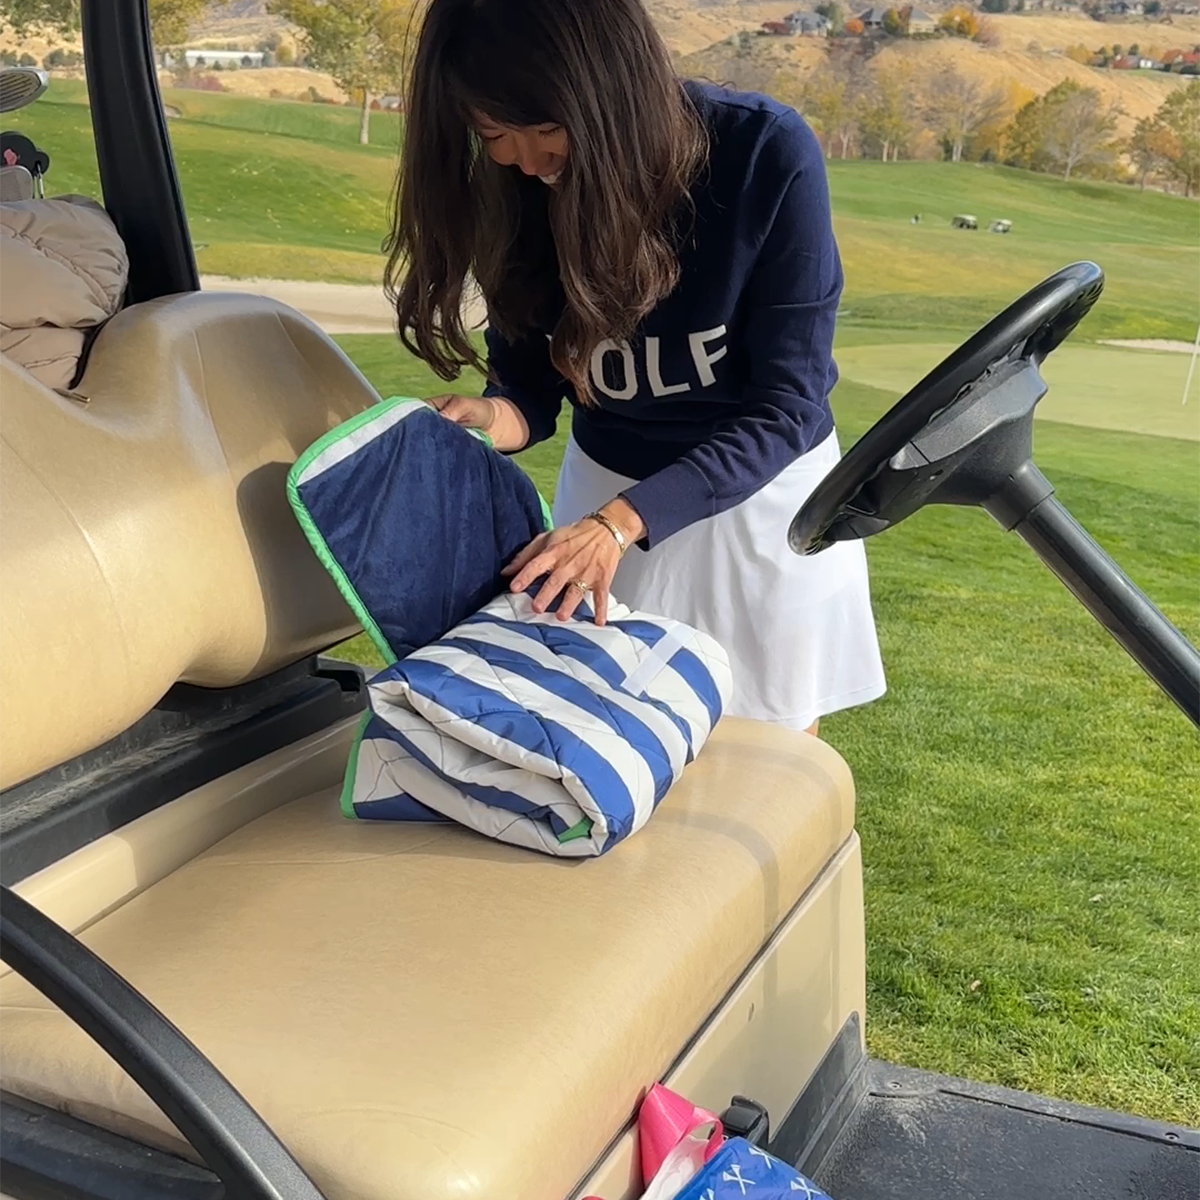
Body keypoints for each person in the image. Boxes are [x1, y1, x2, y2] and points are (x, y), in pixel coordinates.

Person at [385, 0, 885, 736]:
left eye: (546, 128)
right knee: (609, 738)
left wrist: (618, 526)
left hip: (754, 499)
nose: (524, 157)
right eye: (493, 135)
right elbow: (528, 388)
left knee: (765, 751)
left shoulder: (761, 153)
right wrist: (487, 418)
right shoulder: (519, 189)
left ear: (607, 94)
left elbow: (787, 408)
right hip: (603, 493)